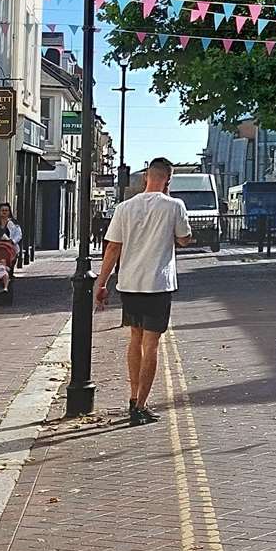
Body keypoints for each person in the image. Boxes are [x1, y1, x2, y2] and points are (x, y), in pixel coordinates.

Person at [95, 157, 194, 426]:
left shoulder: (125, 207)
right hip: (157, 284)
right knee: (151, 345)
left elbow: (113, 248)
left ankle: (132, 396)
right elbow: (184, 239)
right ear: (168, 180)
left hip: (129, 283)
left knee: (134, 339)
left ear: (145, 178)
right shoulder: (174, 206)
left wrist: (101, 283)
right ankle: (140, 406)